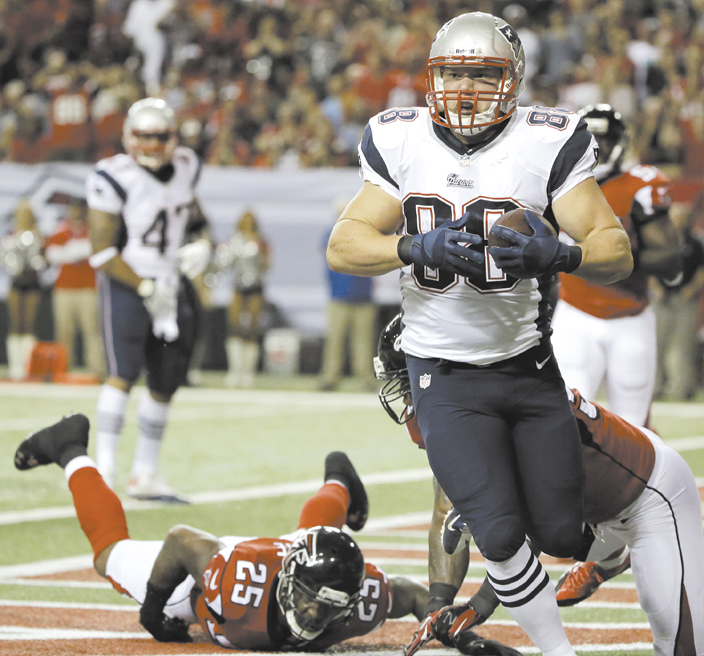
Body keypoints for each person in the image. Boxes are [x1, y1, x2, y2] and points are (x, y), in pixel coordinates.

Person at [327, 11, 632, 656]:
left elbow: (615, 249)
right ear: (432, 76)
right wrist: (413, 244)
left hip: (526, 364)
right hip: (441, 369)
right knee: (497, 531)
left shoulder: (546, 139)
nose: (465, 90)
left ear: (513, 78)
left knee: (554, 529)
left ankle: (628, 543)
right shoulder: (401, 137)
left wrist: (562, 257)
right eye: (453, 74)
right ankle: (557, 651)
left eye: (482, 74)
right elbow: (344, 245)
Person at [373, 317, 704, 656]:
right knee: (484, 518)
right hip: (592, 508)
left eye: (409, 379)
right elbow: (446, 506)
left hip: (652, 497)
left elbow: (523, 529)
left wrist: (479, 606)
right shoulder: (465, 411)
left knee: (680, 646)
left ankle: (608, 556)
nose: (406, 396)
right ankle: (611, 553)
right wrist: (438, 604)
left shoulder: (504, 405)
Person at [13, 414, 430, 650]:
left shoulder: (359, 601)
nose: (313, 616)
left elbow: (413, 595)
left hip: (285, 562)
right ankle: (69, 448)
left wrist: (460, 633)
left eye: (328, 608)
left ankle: (338, 477)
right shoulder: (236, 586)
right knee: (108, 554)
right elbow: (181, 541)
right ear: (287, 582)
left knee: (318, 541)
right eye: (307, 602)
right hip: (209, 577)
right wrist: (152, 612)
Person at [86, 97, 213, 501]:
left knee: (166, 379)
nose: (153, 145)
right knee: (122, 373)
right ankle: (103, 471)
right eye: (144, 136)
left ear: (173, 136)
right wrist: (144, 287)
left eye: (160, 136)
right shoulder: (112, 175)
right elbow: (102, 252)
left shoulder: (188, 166)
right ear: (128, 137)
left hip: (171, 282)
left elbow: (192, 216)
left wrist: (204, 243)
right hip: (129, 281)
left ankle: (145, 473)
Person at [551, 104, 683, 427]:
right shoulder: (553, 181)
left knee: (634, 425)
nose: (598, 147)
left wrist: (611, 256)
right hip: (574, 314)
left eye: (605, 140)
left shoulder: (640, 185)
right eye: (591, 138)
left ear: (621, 143)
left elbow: (670, 259)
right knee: (565, 418)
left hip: (629, 315)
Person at [319, 197, 377, 392]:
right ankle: (330, 376)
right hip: (340, 296)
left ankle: (365, 377)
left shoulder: (366, 232)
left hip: (362, 295)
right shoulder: (333, 233)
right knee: (336, 339)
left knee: (362, 341)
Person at [44, 197, 104, 377]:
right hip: (64, 288)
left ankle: (97, 370)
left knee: (92, 330)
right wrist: (77, 251)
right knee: (64, 331)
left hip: (88, 288)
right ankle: (62, 368)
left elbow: (98, 251)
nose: (76, 213)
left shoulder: (93, 229)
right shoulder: (61, 230)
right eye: (73, 209)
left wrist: (72, 251)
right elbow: (52, 255)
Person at [652, 203, 704, 400]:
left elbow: (701, 269)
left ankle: (683, 387)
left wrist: (691, 290)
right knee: (657, 342)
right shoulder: (658, 240)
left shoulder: (695, 242)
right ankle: (655, 386)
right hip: (661, 297)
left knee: (682, 344)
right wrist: (655, 287)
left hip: (684, 298)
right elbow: (649, 265)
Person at [215, 210, 270, 389]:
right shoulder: (234, 240)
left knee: (252, 328)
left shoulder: (261, 241)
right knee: (235, 326)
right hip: (238, 287)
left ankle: (247, 371)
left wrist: (256, 252)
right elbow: (224, 263)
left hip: (255, 287)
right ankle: (234, 370)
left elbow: (266, 265)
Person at [1, 199, 46, 380]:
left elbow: (42, 261)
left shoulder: (39, 235)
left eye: (27, 214)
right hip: (15, 282)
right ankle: (15, 368)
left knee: (28, 324)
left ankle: (29, 367)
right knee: (15, 324)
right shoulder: (10, 235)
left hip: (32, 283)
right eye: (21, 214)